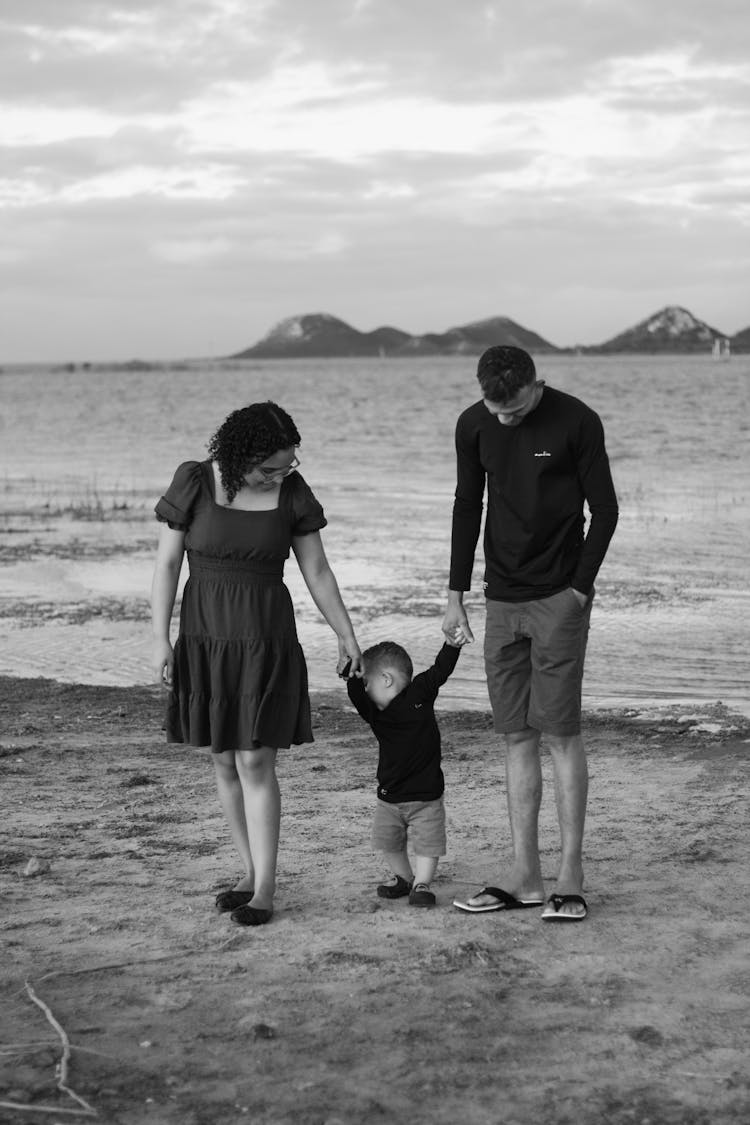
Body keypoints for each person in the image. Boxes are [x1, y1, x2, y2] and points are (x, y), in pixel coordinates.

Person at [151, 401, 362, 926]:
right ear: (239, 455)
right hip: (205, 638)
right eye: (271, 467)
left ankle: (266, 888)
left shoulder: (292, 494)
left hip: (265, 640)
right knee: (224, 758)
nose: (281, 475)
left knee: (255, 761)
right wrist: (159, 639)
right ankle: (248, 873)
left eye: (287, 465)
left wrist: (346, 633)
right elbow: (167, 564)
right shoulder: (195, 481)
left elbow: (316, 568)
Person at [443, 346, 618, 922]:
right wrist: (455, 594)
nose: (505, 419)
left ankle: (571, 875)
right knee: (517, 735)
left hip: (557, 598)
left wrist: (578, 590)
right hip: (501, 599)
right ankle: (526, 876)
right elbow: (468, 505)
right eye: (497, 409)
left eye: (514, 410)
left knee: (561, 734)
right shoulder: (474, 424)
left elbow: (605, 510)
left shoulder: (577, 420)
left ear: (534, 386)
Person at [343, 637, 463, 907]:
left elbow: (440, 670)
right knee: (389, 842)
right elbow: (357, 696)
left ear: (385, 679)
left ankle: (422, 884)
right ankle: (404, 878)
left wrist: (452, 645)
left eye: (368, 684)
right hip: (389, 797)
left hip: (426, 796)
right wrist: (350, 673)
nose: (366, 691)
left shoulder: (419, 693)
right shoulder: (377, 714)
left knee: (428, 844)